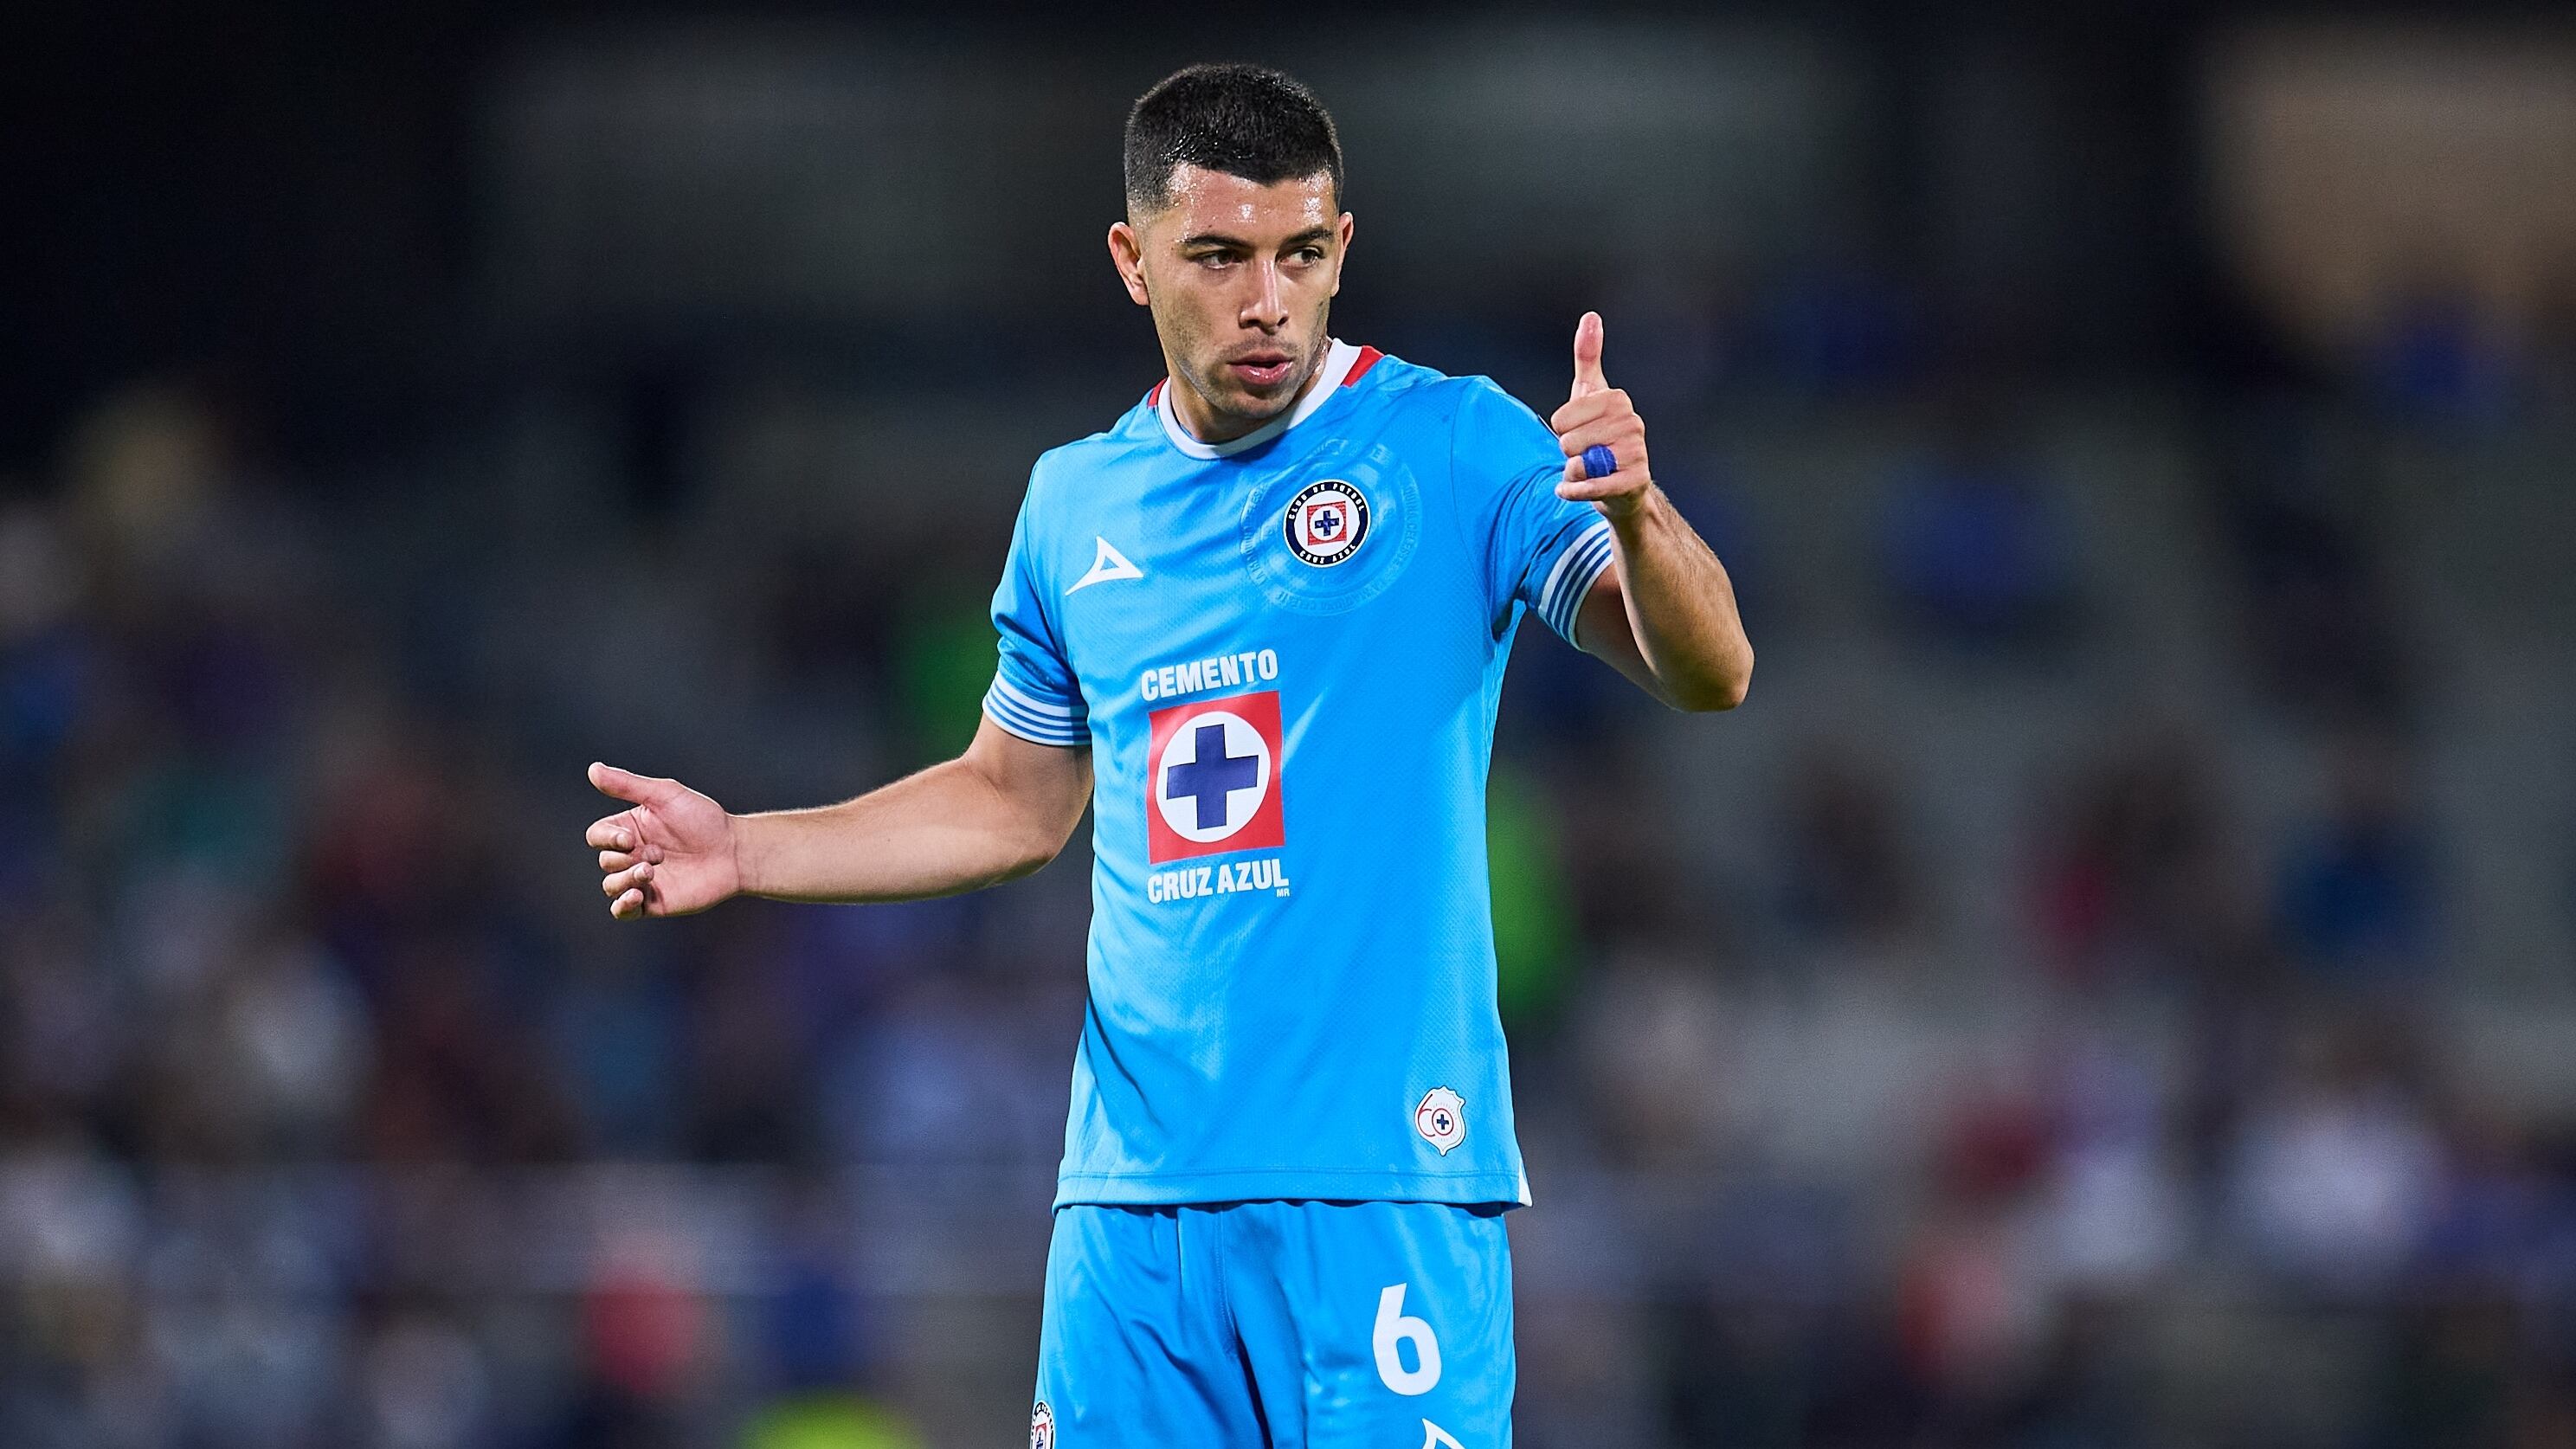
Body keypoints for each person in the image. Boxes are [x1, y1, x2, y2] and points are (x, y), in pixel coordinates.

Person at [584, 62, 1752, 1447]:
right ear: (1135, 262)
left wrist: (1640, 514)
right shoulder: (1075, 503)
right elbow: (1012, 801)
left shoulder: (1453, 443)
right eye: (1220, 256)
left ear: (1342, 249)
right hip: (1134, 1214)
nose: (1268, 300)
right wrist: (747, 847)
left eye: (1300, 254)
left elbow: (1710, 668)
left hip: (1382, 1185)